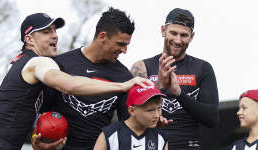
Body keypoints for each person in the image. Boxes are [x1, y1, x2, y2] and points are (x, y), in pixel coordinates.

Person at [0, 13, 152, 150]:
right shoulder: (38, 62)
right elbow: (69, 85)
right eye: (46, 31)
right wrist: (122, 86)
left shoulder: (24, 62)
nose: (55, 35)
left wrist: (151, 113)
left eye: (55, 30)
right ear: (29, 39)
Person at [32, 7, 167, 150]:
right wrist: (36, 138)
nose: (124, 51)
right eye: (121, 44)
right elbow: (37, 111)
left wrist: (148, 121)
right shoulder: (61, 64)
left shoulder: (124, 77)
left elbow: (128, 123)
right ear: (102, 36)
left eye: (127, 45)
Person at [130, 8, 219, 149]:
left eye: (184, 35)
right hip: (149, 145)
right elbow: (128, 114)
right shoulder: (142, 67)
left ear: (192, 36)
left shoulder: (203, 68)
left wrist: (179, 93)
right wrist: (159, 86)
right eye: (173, 33)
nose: (178, 40)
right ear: (163, 30)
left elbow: (212, 119)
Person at [93, 83, 168, 150]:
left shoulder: (161, 137)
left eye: (159, 108)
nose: (157, 115)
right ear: (132, 110)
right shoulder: (110, 135)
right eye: (150, 110)